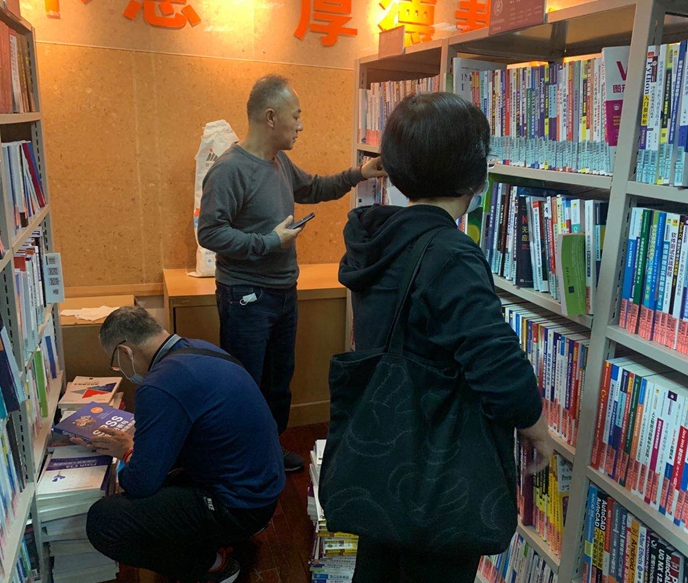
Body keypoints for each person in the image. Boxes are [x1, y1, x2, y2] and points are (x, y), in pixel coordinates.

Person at [338, 92, 553, 583]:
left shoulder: (376, 238)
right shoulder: (450, 253)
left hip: (384, 451)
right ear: (475, 175)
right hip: (439, 472)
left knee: (379, 564)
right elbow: (493, 357)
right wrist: (535, 425)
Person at [198, 74, 386, 472]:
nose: (301, 125)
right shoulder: (229, 169)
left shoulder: (278, 162)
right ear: (271, 117)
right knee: (245, 384)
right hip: (246, 296)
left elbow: (314, 188)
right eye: (296, 116)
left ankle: (268, 450)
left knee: (277, 382)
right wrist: (269, 241)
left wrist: (360, 173)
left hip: (283, 291)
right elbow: (210, 233)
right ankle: (243, 465)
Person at [80, 306, 284, 583]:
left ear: (125, 351)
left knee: (104, 522)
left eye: (115, 362)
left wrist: (127, 451)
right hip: (264, 489)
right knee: (164, 478)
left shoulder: (159, 385)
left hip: (240, 506)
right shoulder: (200, 349)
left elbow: (140, 484)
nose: (121, 370)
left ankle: (214, 566)